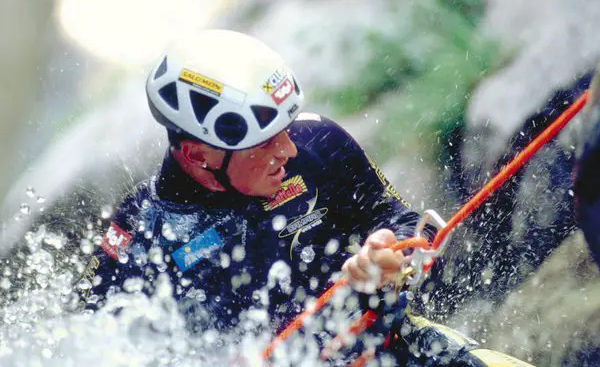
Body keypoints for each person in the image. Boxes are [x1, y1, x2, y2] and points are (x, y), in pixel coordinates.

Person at [77, 29, 532, 366]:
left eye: (286, 130)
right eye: (264, 143)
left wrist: (392, 255)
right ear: (198, 155)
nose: (289, 150)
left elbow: (404, 221)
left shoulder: (318, 144)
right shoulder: (142, 234)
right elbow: (99, 348)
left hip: (389, 346)